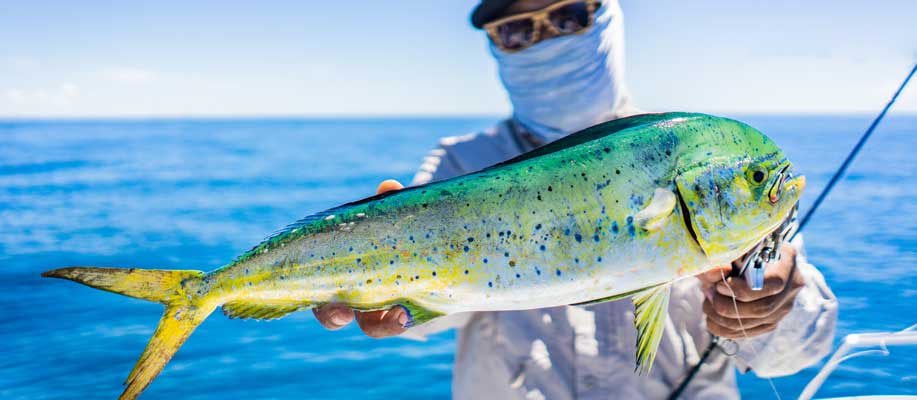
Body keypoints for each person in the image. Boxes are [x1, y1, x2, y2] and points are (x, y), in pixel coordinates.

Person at [314, 0, 839, 398]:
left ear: (607, 17)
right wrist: (387, 291)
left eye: (567, 17)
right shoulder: (460, 165)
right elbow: (440, 313)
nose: (545, 40)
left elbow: (791, 355)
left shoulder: (698, 159)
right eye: (518, 30)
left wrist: (774, 305)